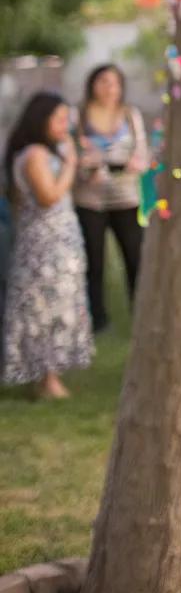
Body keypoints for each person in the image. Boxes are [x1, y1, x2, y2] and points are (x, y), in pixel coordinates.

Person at [2, 92, 93, 398]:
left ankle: (48, 374)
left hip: (60, 239)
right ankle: (46, 377)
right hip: (45, 245)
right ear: (40, 120)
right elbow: (48, 196)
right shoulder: (35, 155)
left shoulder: (47, 151)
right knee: (45, 306)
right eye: (58, 119)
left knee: (59, 302)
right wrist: (70, 163)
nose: (64, 125)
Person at [73, 64, 149, 331]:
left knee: (135, 255)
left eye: (114, 82)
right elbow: (71, 154)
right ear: (93, 84)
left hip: (126, 195)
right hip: (90, 197)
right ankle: (96, 318)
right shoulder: (79, 115)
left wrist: (136, 163)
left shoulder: (130, 115)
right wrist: (86, 169)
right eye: (103, 81)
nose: (109, 88)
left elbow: (142, 150)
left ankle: (141, 313)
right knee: (93, 259)